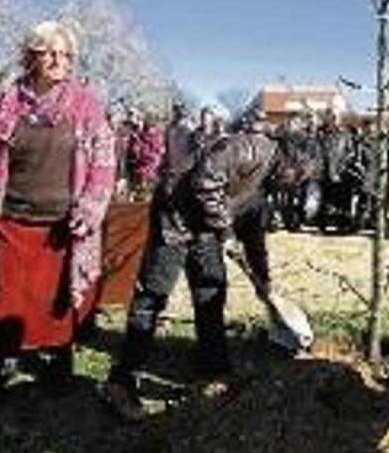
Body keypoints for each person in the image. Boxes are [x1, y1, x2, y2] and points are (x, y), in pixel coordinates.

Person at [0, 21, 116, 392]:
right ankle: (0, 363)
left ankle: (57, 360)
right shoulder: (5, 102)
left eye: (65, 54)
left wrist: (91, 205)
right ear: (31, 57)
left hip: (61, 226)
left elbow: (104, 160)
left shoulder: (86, 105)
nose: (58, 60)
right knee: (6, 297)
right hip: (10, 219)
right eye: (49, 52)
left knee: (55, 303)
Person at [101, 113, 282, 421]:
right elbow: (204, 182)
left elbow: (254, 240)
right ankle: (121, 381)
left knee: (211, 292)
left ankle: (213, 370)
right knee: (153, 296)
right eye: (300, 173)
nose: (300, 179)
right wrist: (225, 232)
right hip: (175, 215)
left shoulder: (265, 189)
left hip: (205, 225)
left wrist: (264, 283)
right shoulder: (249, 148)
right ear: (288, 159)